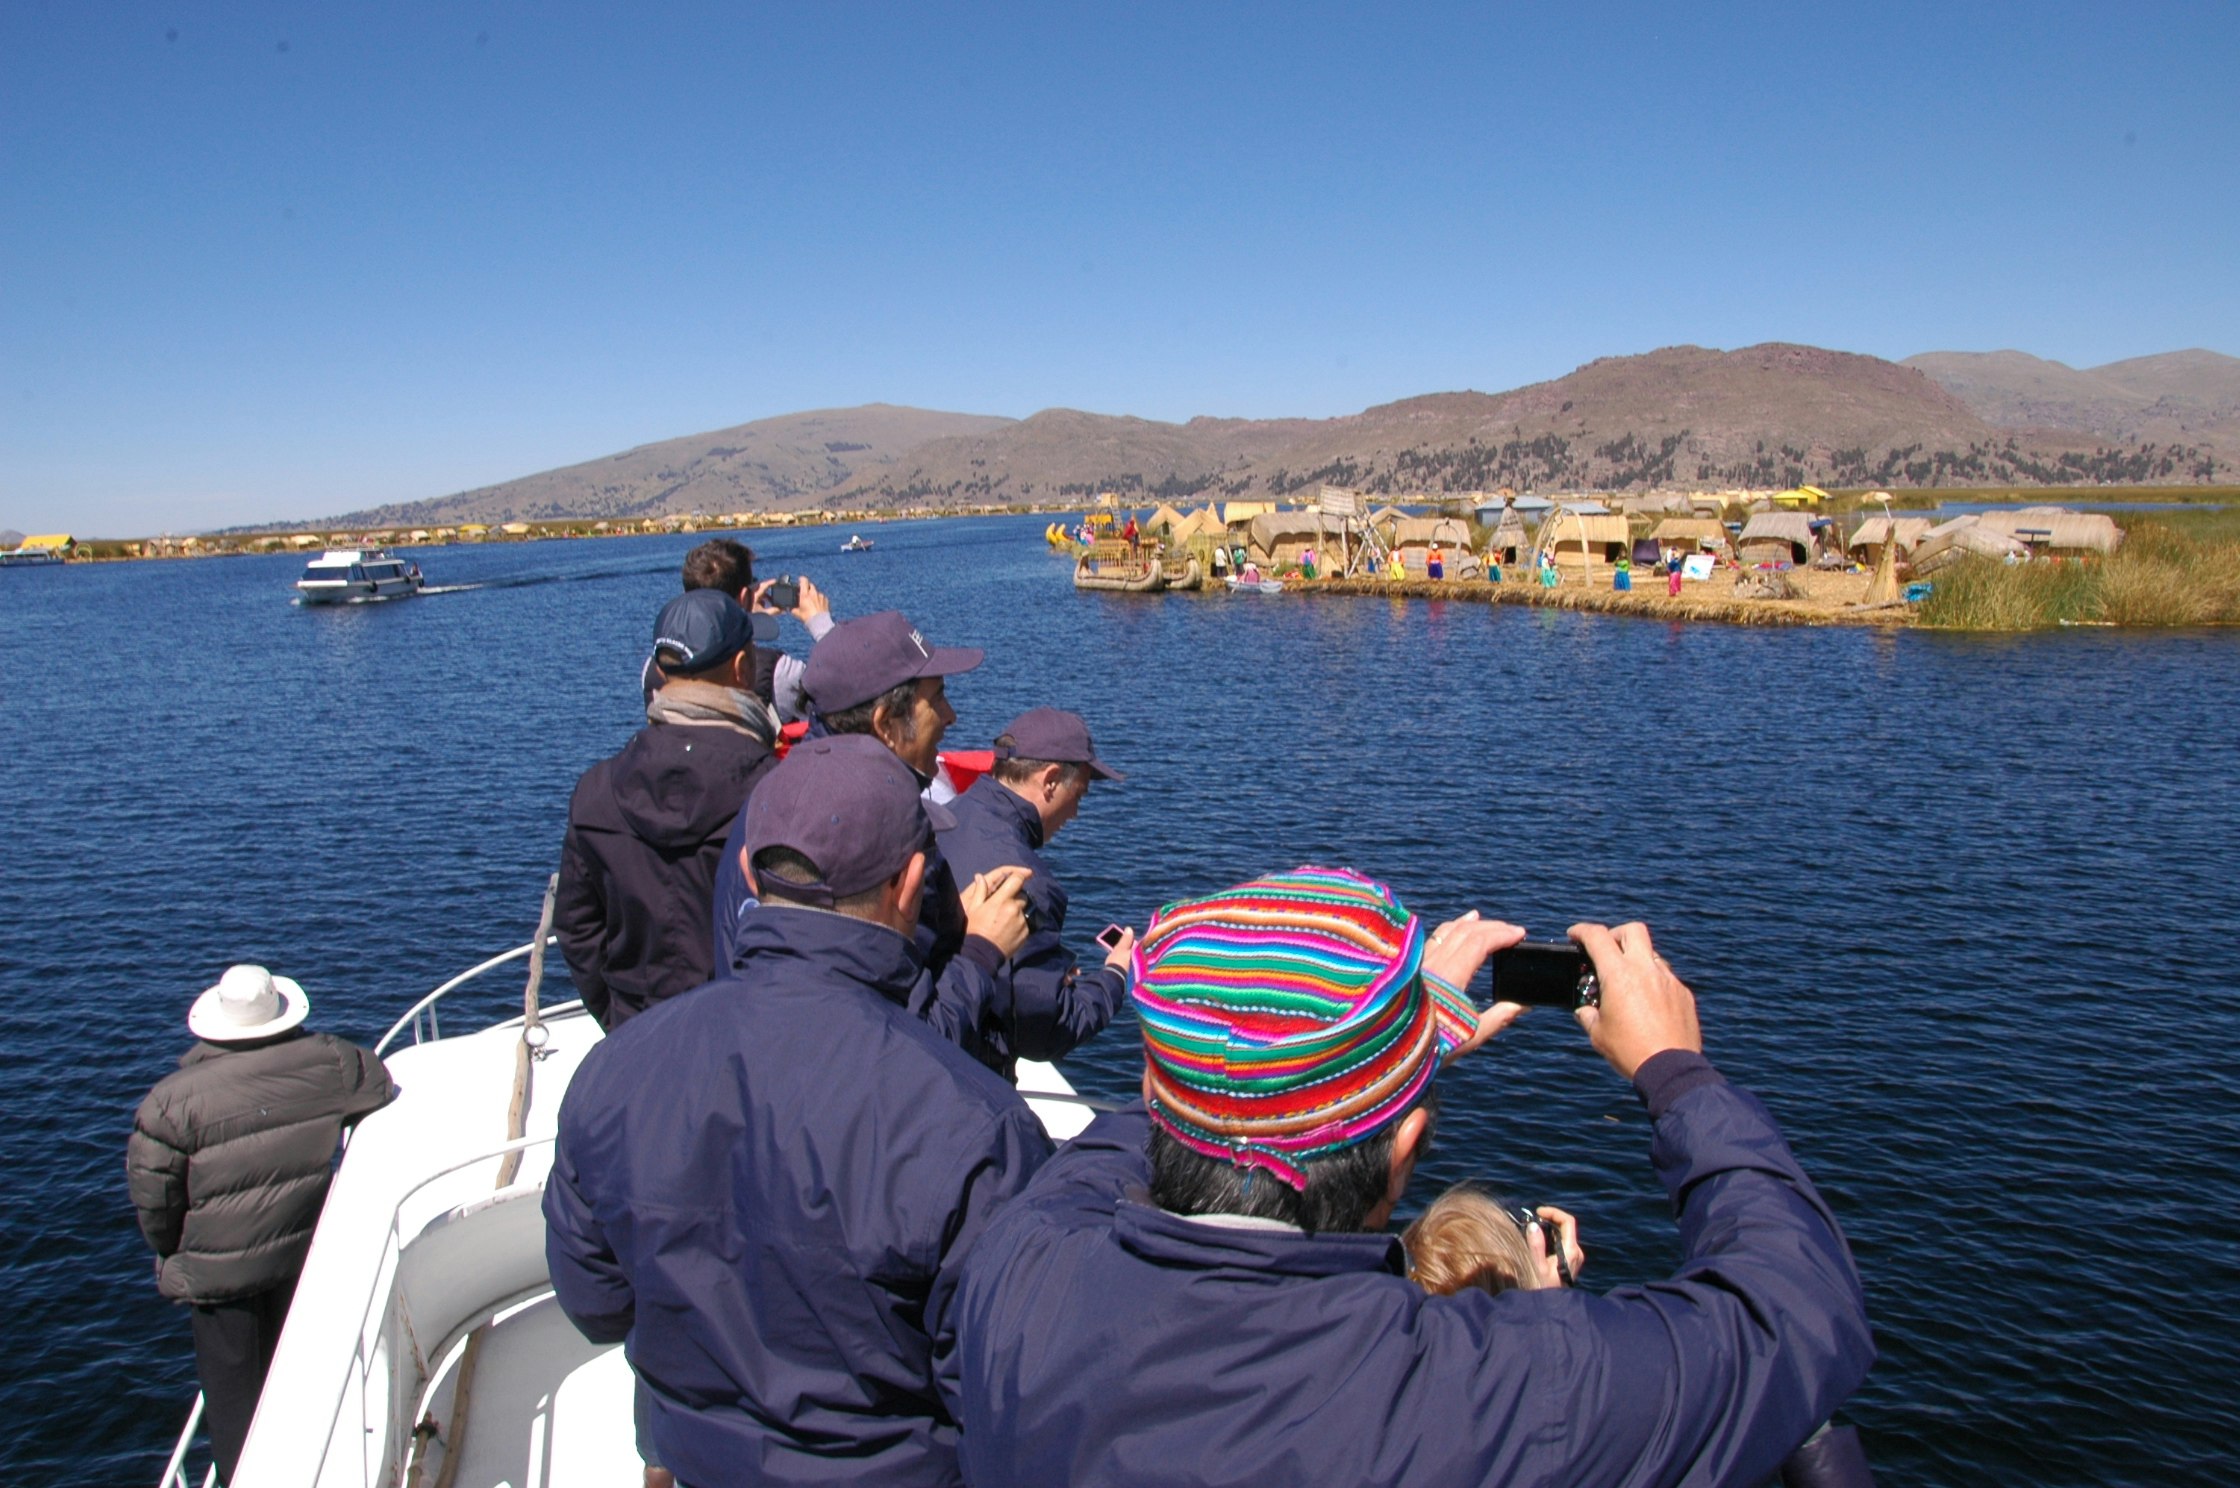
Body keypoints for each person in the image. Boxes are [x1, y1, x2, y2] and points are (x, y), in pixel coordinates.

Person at [950, 867, 1875, 1488]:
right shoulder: (1497, 1399)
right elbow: (1796, 1309)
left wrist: (1373, 1066)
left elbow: (1146, 1124)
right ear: (1403, 1159)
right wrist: (1677, 1074)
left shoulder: (1021, 1266)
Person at [545, 736, 1055, 1488]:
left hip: (695, 1463)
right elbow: (1004, 1386)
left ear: (752, 875)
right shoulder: (979, 1127)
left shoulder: (612, 1072)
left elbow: (596, 1305)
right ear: (910, 886)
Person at [711, 611, 1031, 1069]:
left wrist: (955, 919)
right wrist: (981, 950)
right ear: (885, 724)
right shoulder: (887, 833)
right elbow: (902, 1047)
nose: (951, 716)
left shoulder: (771, 804)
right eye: (937, 699)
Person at [127, 966, 396, 1485]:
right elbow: (379, 1087)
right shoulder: (334, 1061)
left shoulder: (169, 1104)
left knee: (237, 1414)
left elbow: (156, 1206)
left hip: (222, 1281)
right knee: (308, 1376)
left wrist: (176, 1252)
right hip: (306, 1254)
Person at [559, 589, 779, 1031]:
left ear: (660, 670)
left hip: (638, 1032)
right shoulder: (774, 791)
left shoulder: (596, 792)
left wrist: (619, 1018)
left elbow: (579, 928)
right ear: (743, 668)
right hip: (746, 1032)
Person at [939, 708, 1133, 1078]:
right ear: (1051, 780)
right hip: (967, 1075)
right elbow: (1046, 1031)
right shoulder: (1028, 882)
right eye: (1078, 795)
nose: (1075, 813)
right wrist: (1114, 976)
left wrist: (1047, 971)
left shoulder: (946, 815)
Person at [639, 538, 836, 723]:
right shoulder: (777, 673)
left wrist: (746, 619)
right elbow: (844, 700)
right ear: (744, 596)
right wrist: (820, 623)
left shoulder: (655, 667)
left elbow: (711, 640)